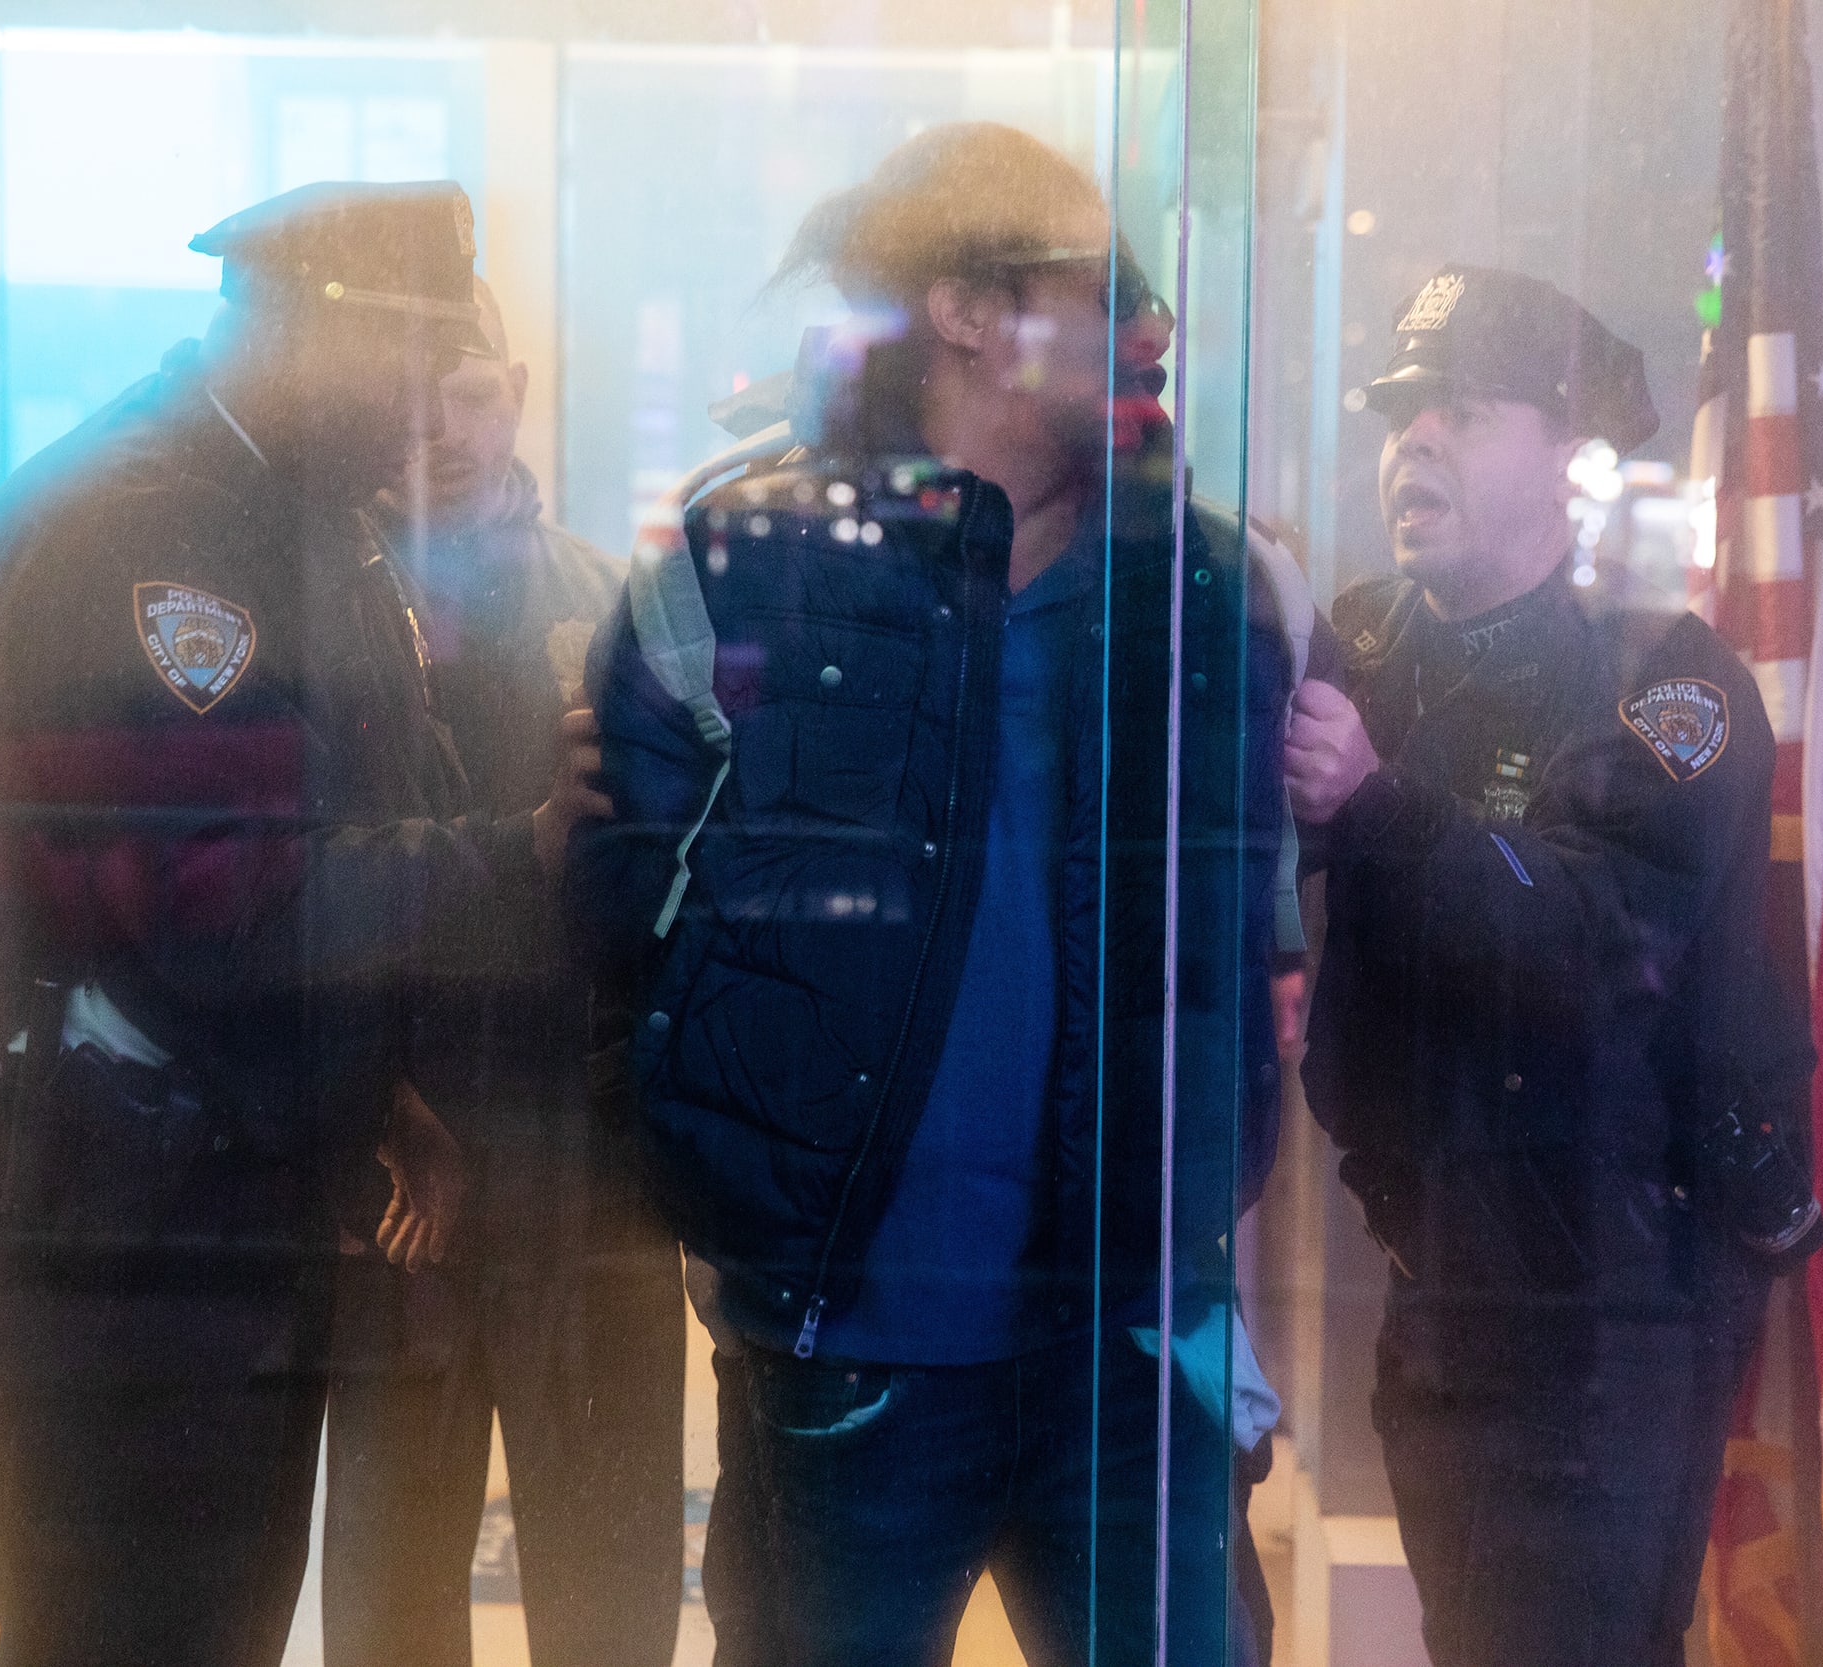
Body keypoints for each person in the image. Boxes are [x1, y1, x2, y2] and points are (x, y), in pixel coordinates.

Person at [573, 122, 1290, 1666]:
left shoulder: (1209, 590)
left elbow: (1265, 937)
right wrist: (733, 1211)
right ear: (965, 310)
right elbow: (617, 922)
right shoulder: (737, 562)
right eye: (1107, 288)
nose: (1154, 323)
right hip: (847, 1346)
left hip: (1130, 1347)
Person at [0, 182, 604, 1667]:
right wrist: (520, 854)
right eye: (408, 366)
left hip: (204, 1217)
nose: (429, 413)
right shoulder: (147, 534)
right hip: (113, 1252)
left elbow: (328, 811)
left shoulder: (288, 511)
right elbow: (222, 909)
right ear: (308, 335)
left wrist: (376, 1085)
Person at [1285, 265, 1821, 1667]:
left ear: (1570, 454)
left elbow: (1590, 951)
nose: (1414, 442)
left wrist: (1374, 803)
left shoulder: (1674, 687)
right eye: (1401, 414)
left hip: (1611, 1310)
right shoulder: (1369, 644)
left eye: (1461, 411)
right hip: (1436, 1273)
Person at [319, 277, 684, 1667]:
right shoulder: (315, 611)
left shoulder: (620, 607)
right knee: (390, 1594)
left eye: (468, 393)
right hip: (386, 1153)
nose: (440, 431)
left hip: (592, 1157)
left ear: (517, 395)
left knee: (609, 1592)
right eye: (410, 399)